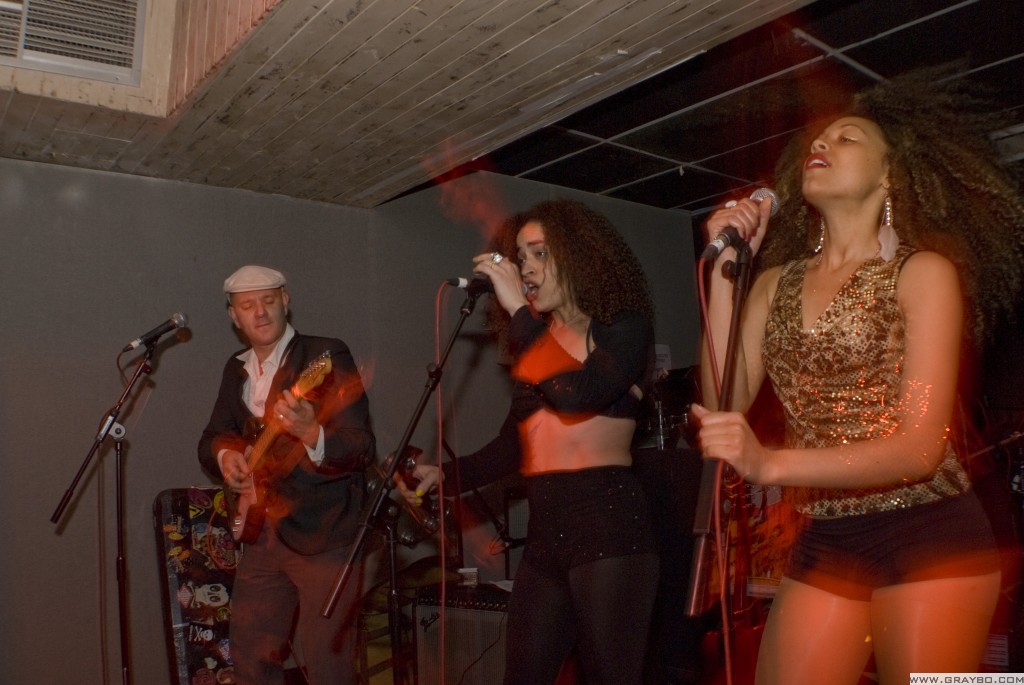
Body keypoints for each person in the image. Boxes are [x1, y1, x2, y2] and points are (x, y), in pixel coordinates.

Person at [691, 69, 1024, 684]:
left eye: (848, 138)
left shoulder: (922, 273)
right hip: (828, 534)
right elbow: (723, 402)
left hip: (933, 532)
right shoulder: (773, 284)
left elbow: (919, 448)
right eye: (818, 139)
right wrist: (723, 276)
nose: (822, 143)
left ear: (889, 174)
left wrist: (770, 464)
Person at [400, 199, 660, 685]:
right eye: (521, 257)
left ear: (580, 257)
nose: (527, 268)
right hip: (545, 540)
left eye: (540, 253)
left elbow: (578, 393)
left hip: (608, 528)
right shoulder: (536, 345)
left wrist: (519, 311)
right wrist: (446, 477)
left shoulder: (623, 328)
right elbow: (513, 447)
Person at [198, 264, 377, 685]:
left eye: (268, 301)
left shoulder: (323, 355)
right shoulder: (235, 369)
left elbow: (361, 445)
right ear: (234, 316)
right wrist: (227, 457)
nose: (259, 312)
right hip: (262, 533)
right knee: (250, 655)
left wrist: (311, 432)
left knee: (328, 664)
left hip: (325, 534)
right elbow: (211, 438)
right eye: (247, 306)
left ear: (286, 301)